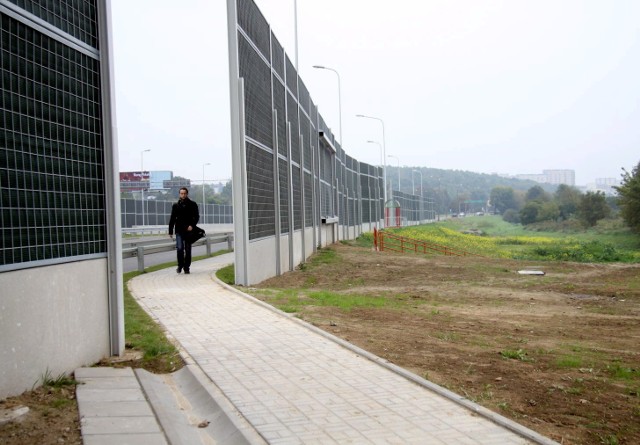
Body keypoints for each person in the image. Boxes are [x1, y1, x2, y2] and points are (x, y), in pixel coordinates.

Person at [168, 187, 199, 274]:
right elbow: (172, 218)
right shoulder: (176, 205)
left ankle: (186, 267)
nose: (183, 195)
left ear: (187, 194)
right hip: (179, 230)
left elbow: (196, 217)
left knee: (188, 249)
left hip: (189, 231)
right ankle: (180, 265)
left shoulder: (193, 204)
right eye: (181, 193)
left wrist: (192, 226)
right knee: (180, 248)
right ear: (179, 194)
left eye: (184, 193)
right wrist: (170, 231)